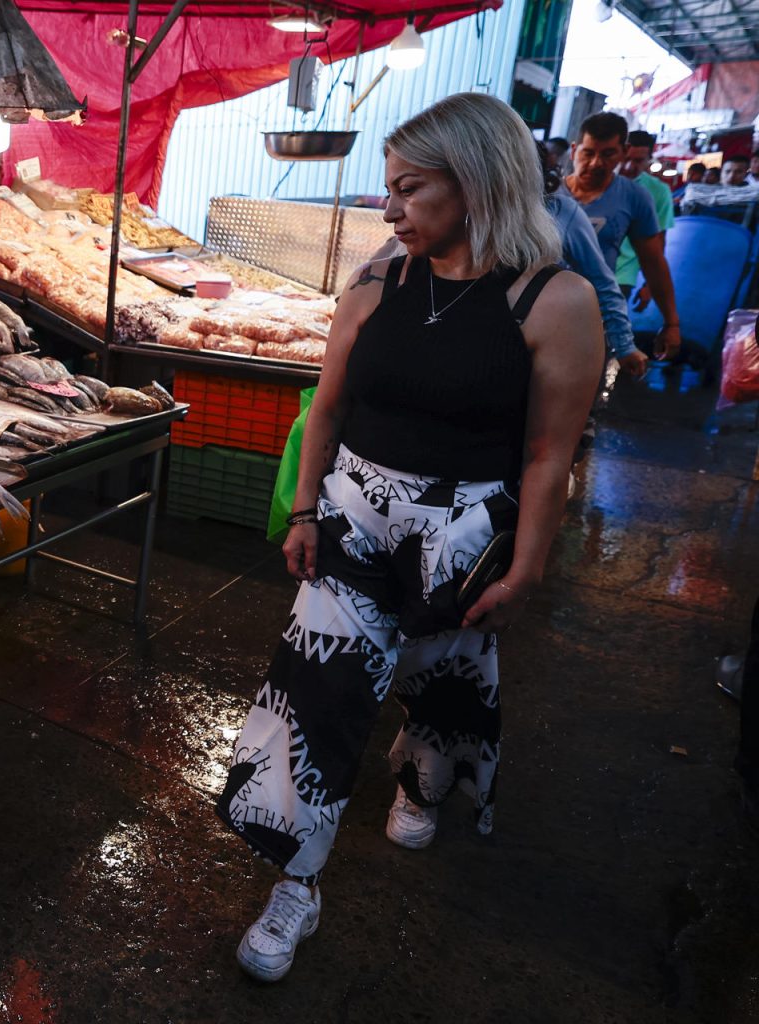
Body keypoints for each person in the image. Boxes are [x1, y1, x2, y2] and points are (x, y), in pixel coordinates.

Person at [217, 93, 602, 983]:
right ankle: (297, 882)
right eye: (388, 189)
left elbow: (548, 454)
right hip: (355, 514)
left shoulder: (555, 300)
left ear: (473, 184)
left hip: (466, 529)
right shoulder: (377, 282)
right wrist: (307, 509)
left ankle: (420, 783)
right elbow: (328, 408)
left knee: (440, 680)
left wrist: (530, 564)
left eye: (408, 189)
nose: (388, 209)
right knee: (315, 696)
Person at [565, 113, 680, 362]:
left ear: (623, 151)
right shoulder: (550, 191)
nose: (596, 163)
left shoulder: (635, 197)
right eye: (588, 153)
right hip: (539, 304)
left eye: (608, 154)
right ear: (574, 150)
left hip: (597, 305)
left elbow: (653, 262)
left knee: (584, 377)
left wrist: (671, 323)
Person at [538, 142, 643, 378]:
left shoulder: (558, 210)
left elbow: (602, 282)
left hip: (544, 337)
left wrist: (624, 346)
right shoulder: (470, 208)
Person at [614, 130, 674, 316]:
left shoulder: (659, 191)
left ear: (650, 159)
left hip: (623, 275)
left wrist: (651, 285)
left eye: (639, 161)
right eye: (626, 158)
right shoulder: (598, 180)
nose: (630, 166)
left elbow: (659, 241)